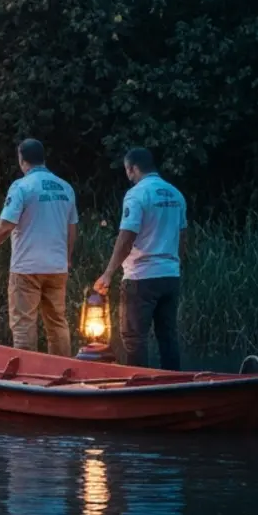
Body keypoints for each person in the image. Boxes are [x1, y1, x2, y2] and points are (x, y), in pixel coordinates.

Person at [0, 138, 78, 356]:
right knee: (57, 324)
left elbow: (5, 225)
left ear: (22, 160)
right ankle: (63, 375)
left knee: (24, 326)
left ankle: (28, 379)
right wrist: (67, 258)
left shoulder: (22, 186)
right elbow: (72, 228)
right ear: (43, 158)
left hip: (27, 268)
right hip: (57, 268)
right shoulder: (65, 188)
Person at [95, 147, 188, 370]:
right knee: (168, 336)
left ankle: (138, 389)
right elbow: (183, 236)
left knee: (135, 338)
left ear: (132, 168)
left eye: (127, 170)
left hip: (141, 276)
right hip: (170, 275)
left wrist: (108, 273)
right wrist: (176, 263)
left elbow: (127, 236)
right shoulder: (175, 194)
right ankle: (174, 386)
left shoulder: (137, 194)